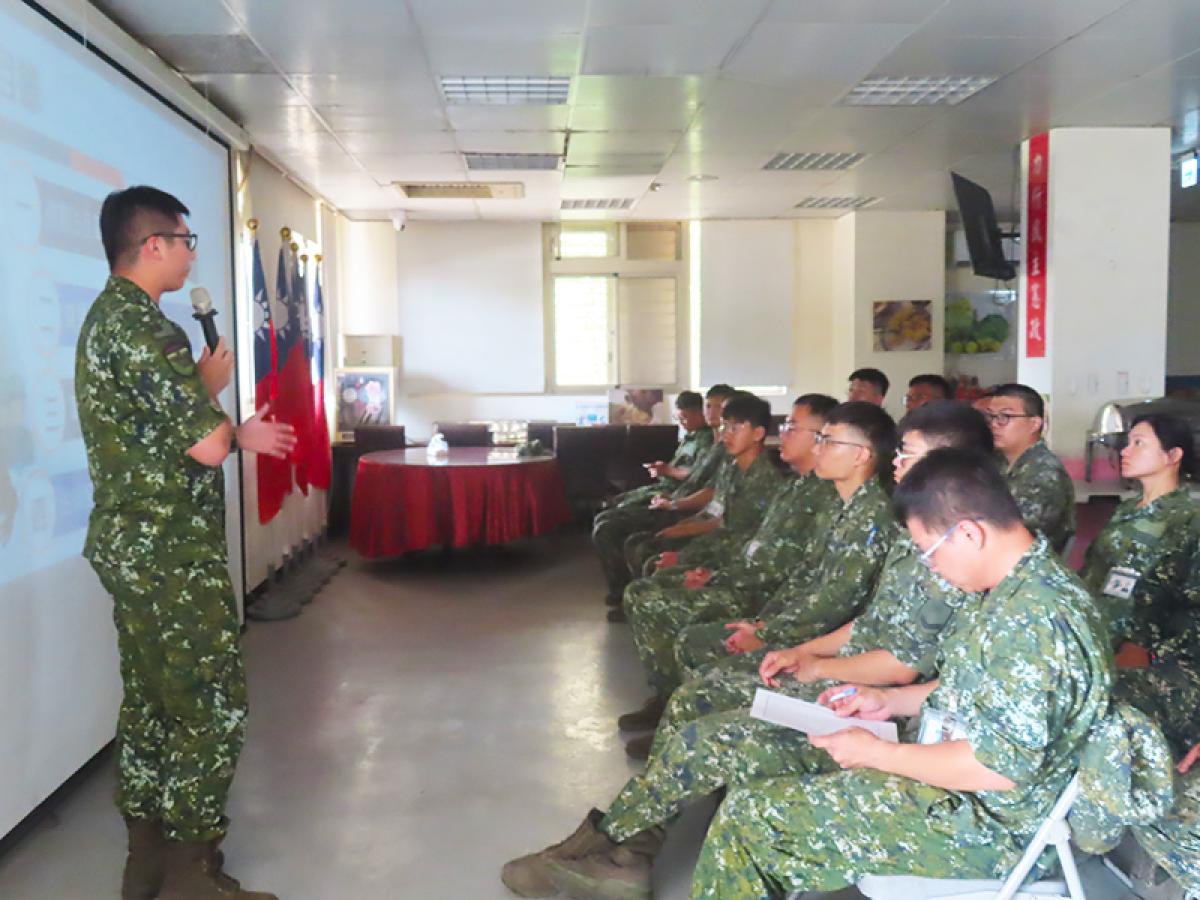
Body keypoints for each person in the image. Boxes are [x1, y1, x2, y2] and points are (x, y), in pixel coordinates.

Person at [495, 409, 997, 900]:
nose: (897, 464)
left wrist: (808, 659)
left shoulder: (935, 544)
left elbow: (900, 663)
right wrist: (799, 651)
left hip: (881, 706)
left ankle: (619, 846)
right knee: (693, 701)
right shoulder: (918, 537)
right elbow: (867, 622)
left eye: (908, 454)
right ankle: (627, 848)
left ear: (952, 467)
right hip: (863, 684)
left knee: (707, 728)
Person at [691, 448, 1112, 898]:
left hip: (988, 822)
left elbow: (996, 768)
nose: (931, 567)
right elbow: (975, 689)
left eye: (929, 553)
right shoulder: (1011, 589)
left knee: (749, 819)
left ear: (968, 534)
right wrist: (888, 699)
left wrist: (876, 753)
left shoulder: (1036, 619)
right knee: (762, 769)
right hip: (956, 779)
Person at [76, 186, 295, 900]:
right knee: (208, 704)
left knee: (149, 702)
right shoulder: (149, 329)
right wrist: (238, 429)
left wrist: (201, 386)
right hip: (169, 549)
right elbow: (205, 445)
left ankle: (146, 863)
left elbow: (150, 430)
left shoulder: (104, 320)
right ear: (153, 246)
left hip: (130, 545)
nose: (191, 255)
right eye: (185, 241)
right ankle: (193, 874)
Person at [615, 394, 838, 735]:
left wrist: (720, 582)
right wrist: (708, 571)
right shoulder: (796, 486)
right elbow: (751, 543)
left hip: (760, 594)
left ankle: (675, 710)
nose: (784, 433)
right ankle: (667, 700)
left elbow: (782, 568)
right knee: (644, 585)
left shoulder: (819, 495)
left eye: (793, 427)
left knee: (665, 614)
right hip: (744, 577)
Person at [1080, 414, 1200, 758]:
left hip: (1153, 657)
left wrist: (1151, 653)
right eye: (1127, 442)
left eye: (1139, 443)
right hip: (1102, 638)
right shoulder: (1126, 512)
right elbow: (1093, 576)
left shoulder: (1189, 519)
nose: (1125, 451)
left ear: (1172, 455)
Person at [618, 394, 781, 596]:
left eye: (734, 428)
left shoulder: (765, 479)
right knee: (644, 548)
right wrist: (685, 525)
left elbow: (734, 534)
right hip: (716, 540)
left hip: (732, 557)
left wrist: (684, 552)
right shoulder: (733, 465)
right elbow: (717, 508)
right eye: (724, 427)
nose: (725, 435)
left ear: (758, 433)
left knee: (651, 560)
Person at [592, 384, 734, 606]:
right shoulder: (715, 446)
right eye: (709, 405)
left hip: (684, 508)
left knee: (610, 529)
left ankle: (626, 595)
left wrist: (676, 506)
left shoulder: (723, 449)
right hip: (676, 501)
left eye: (719, 407)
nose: (712, 412)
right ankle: (627, 593)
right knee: (608, 516)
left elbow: (712, 495)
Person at [986, 382, 1076, 553]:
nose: (994, 424)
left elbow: (1014, 533)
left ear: (1034, 424)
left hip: (1027, 561)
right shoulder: (998, 460)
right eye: (991, 416)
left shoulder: (1044, 473)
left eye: (1005, 416)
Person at [604, 391, 712, 512]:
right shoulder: (690, 437)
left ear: (699, 413)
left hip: (678, 491)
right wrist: (662, 469)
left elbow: (698, 475)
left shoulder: (707, 440)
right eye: (679, 418)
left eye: (684, 418)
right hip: (665, 485)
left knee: (617, 508)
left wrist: (668, 470)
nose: (681, 423)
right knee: (615, 500)